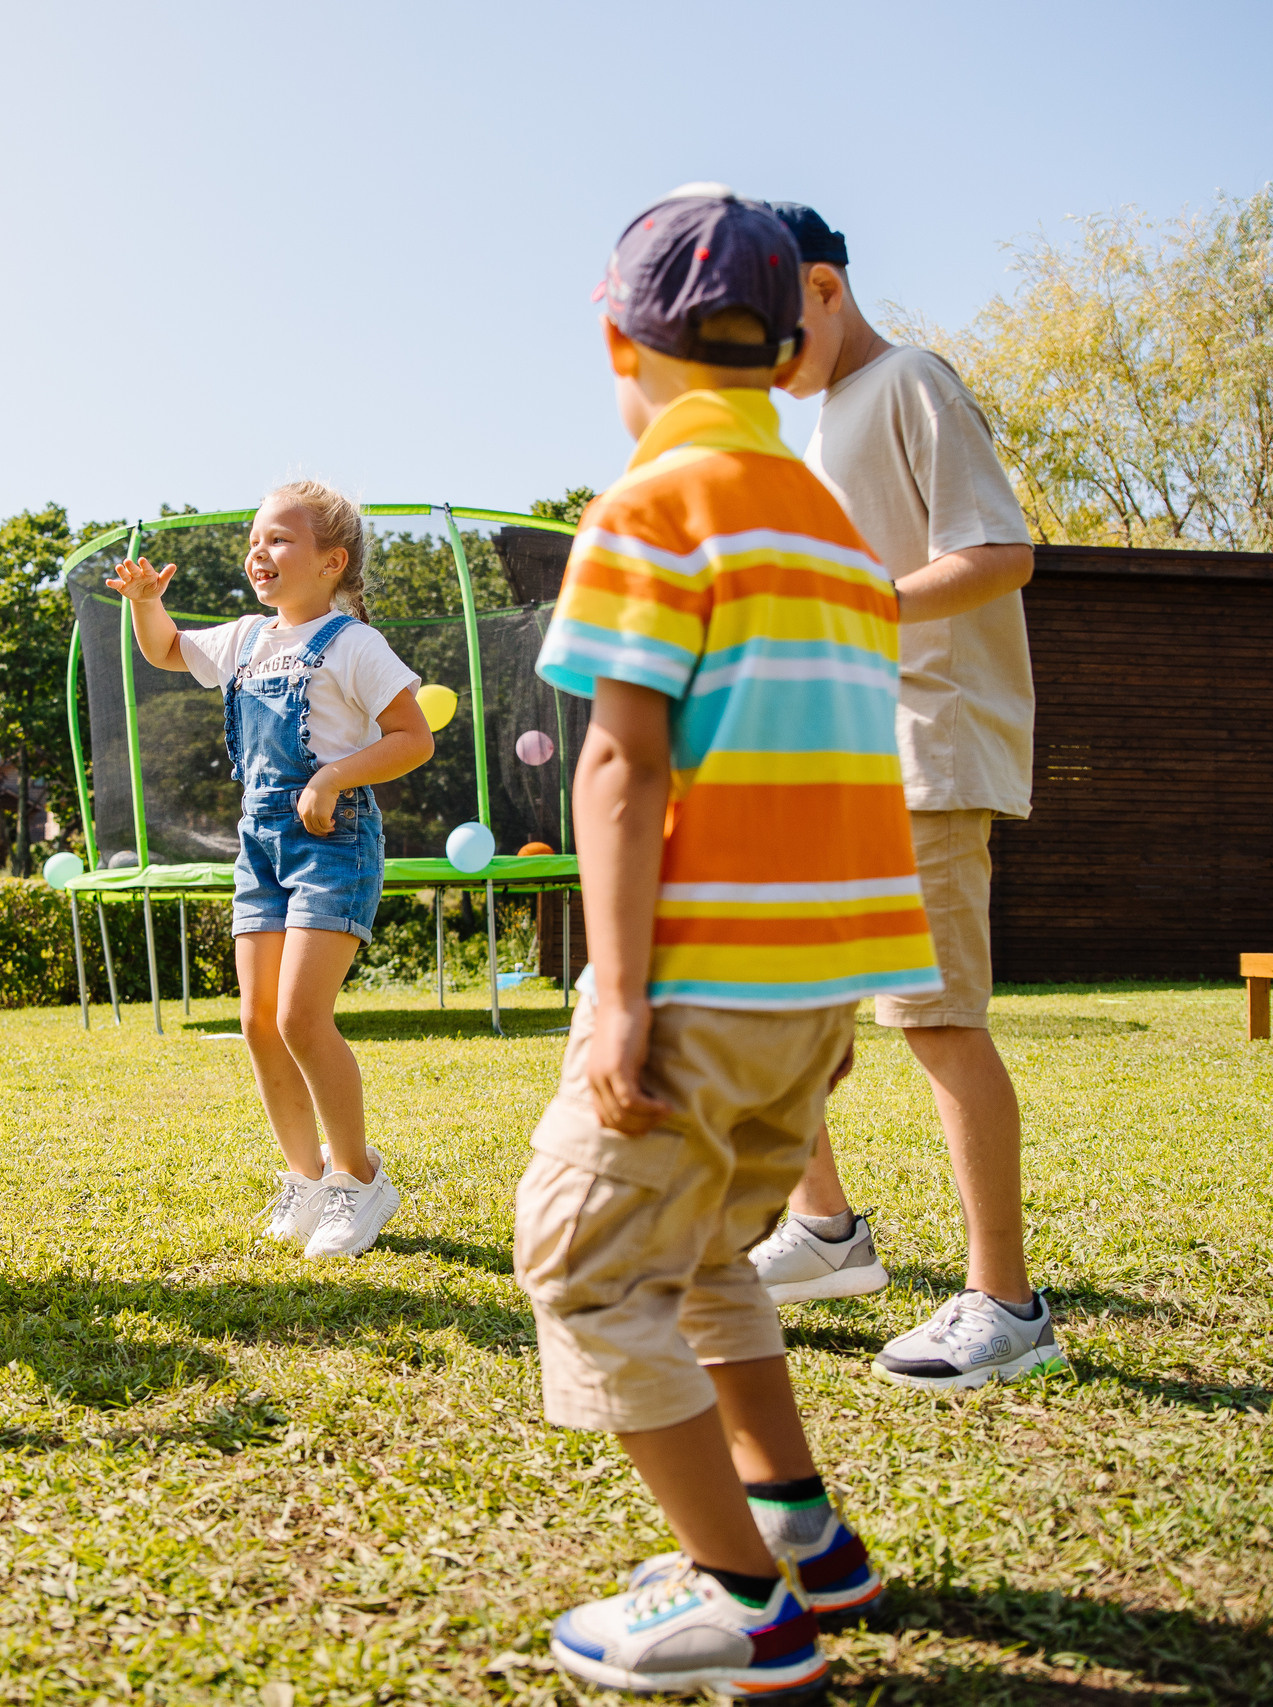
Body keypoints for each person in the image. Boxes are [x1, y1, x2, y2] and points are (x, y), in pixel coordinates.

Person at [518, 189, 940, 1697]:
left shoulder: (651, 505)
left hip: (696, 982)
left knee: (584, 1262)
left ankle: (744, 1600)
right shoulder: (830, 528)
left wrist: (618, 994)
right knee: (702, 1255)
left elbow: (623, 763)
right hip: (814, 992)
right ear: (787, 339)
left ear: (616, 336)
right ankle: (802, 1527)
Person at [748, 201, 1065, 1393]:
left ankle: (1007, 1300)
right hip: (839, 755)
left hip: (925, 752)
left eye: (765, 334)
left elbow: (998, 553)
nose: (758, 369)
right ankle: (823, 1234)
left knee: (932, 1019)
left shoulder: (911, 381)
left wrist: (851, 606)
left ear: (821, 288)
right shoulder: (819, 420)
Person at [105, 483, 434, 1259]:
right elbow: (164, 648)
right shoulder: (247, 639)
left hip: (331, 842)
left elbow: (412, 738)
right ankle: (306, 1176)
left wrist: (330, 779)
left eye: (280, 539)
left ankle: (359, 1179)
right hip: (261, 848)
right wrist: (146, 601)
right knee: (258, 1024)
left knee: (299, 1018)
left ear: (331, 562)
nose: (260, 551)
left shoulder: (353, 643)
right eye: (256, 538)